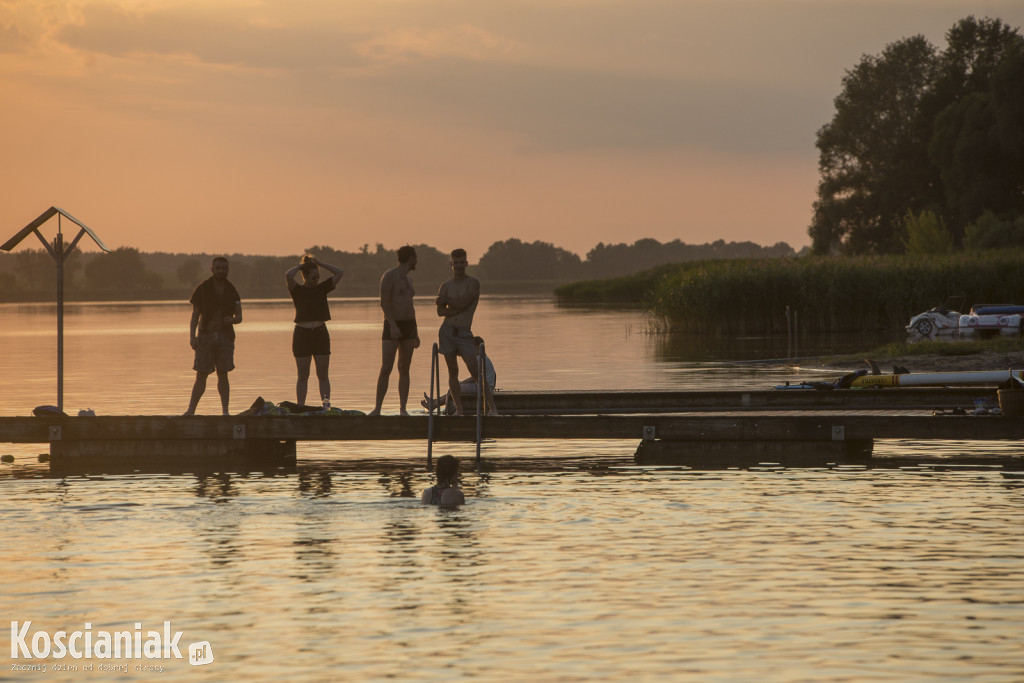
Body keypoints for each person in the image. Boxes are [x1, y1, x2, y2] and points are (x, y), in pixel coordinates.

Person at [435, 249, 497, 416]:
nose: (459, 266)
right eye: (456, 262)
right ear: (451, 264)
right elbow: (440, 312)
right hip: (447, 331)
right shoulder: (446, 285)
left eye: (462, 262)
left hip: (464, 333)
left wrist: (447, 301)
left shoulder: (473, 282)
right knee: (452, 371)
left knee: (475, 370)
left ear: (466, 263)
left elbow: (465, 304)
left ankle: (492, 409)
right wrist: (454, 306)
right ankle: (459, 410)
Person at [185, 257, 242, 415]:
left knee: (223, 374)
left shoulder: (232, 290)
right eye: (218, 268)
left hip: (225, 336)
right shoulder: (202, 288)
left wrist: (232, 320)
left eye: (224, 268)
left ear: (227, 270)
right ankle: (190, 411)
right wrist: (192, 337)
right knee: (201, 374)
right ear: (212, 269)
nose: (221, 271)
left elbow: (240, 316)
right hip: (205, 336)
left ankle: (225, 412)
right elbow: (195, 316)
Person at [286, 255, 344, 406]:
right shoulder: (296, 290)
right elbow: (288, 275)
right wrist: (301, 266)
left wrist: (320, 263)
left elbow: (339, 273)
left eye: (317, 277)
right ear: (304, 276)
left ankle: (326, 405)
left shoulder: (322, 288)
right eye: (312, 278)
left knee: (323, 374)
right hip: (302, 334)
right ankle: (300, 406)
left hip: (320, 333)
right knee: (303, 375)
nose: (316, 280)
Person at [369, 246, 420, 416]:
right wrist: (393, 325)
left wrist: (416, 332)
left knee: (404, 367)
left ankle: (403, 409)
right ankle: (377, 409)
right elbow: (384, 302)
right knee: (386, 367)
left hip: (409, 325)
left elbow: (410, 307)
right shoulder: (389, 276)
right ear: (410, 258)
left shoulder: (410, 280)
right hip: (392, 325)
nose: (417, 261)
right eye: (416, 257)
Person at [421, 336, 496, 414]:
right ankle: (434, 402)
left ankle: (434, 405)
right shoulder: (483, 357)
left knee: (453, 389)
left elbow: (475, 378)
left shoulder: (479, 359)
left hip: (482, 388)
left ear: (477, 347)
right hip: (483, 385)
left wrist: (462, 382)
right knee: (454, 387)